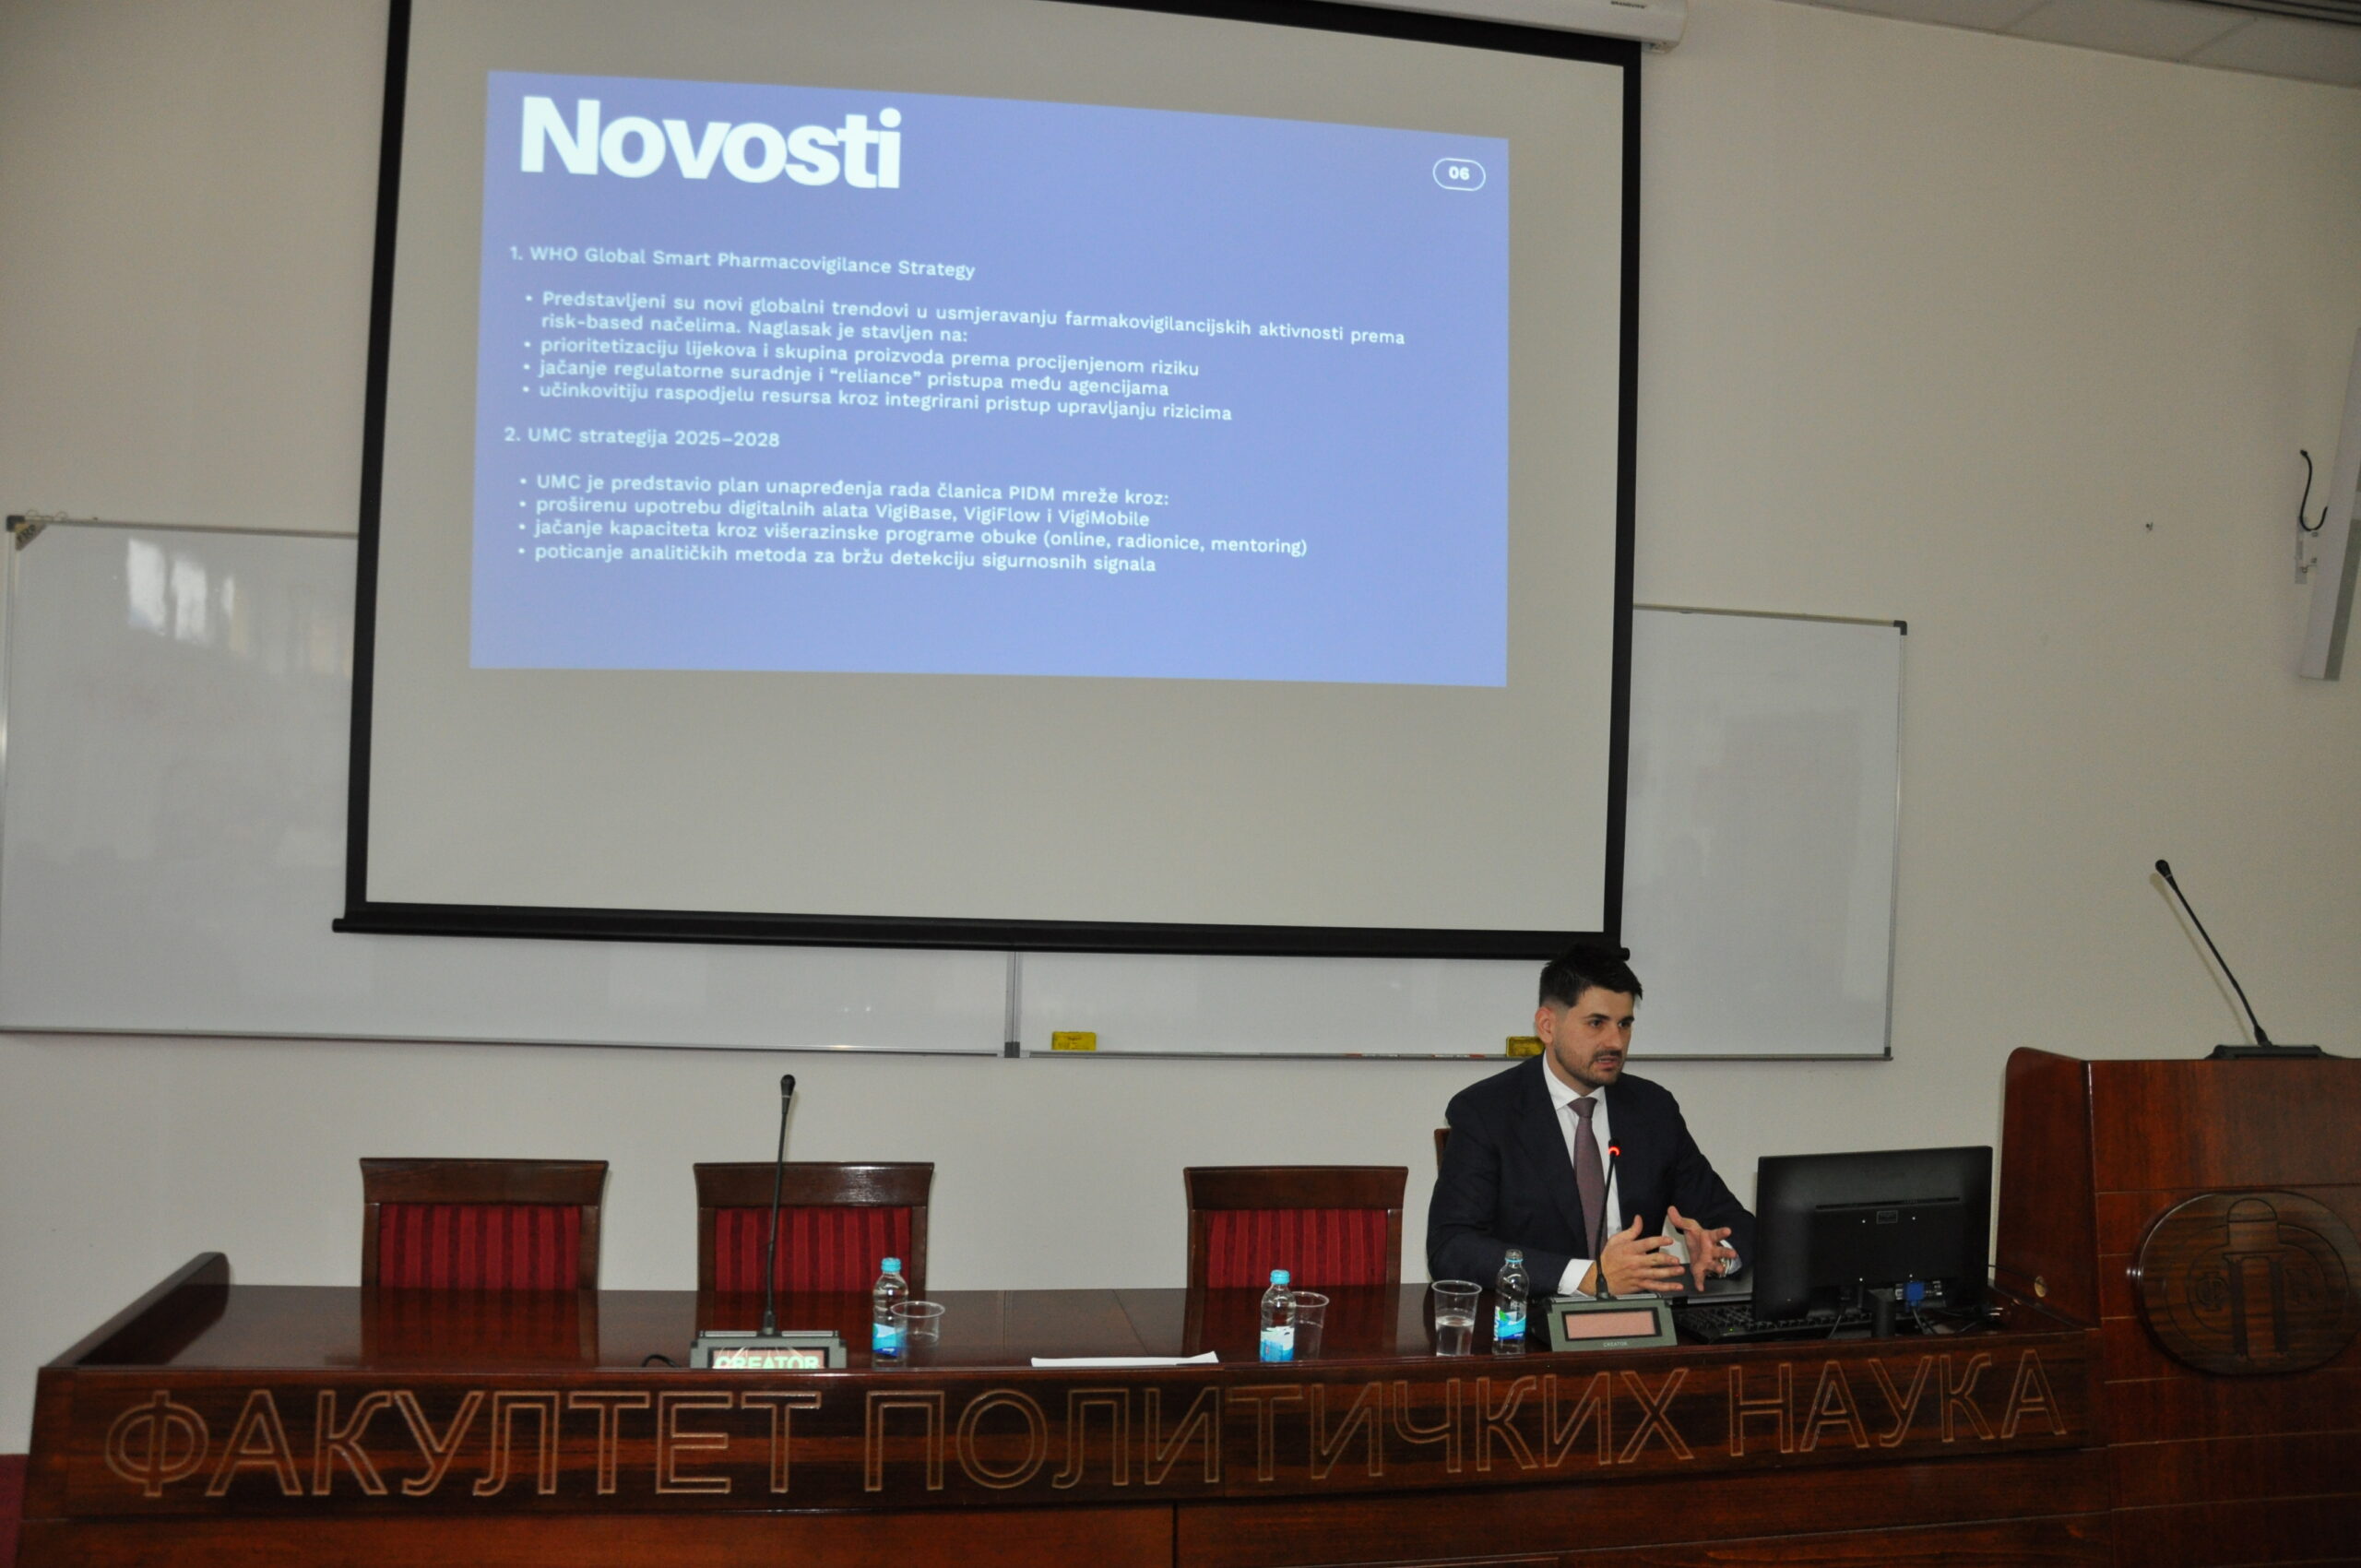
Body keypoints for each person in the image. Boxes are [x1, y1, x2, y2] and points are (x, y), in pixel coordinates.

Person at [1427, 944, 1754, 1298]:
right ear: (1547, 1026)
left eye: (1624, 1024)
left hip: (1639, 1319)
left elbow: (1735, 1222)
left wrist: (1719, 1253)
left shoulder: (1652, 1109)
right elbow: (1452, 1247)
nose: (1615, 1042)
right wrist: (1586, 1276)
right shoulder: (1486, 1111)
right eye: (1596, 1023)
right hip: (1531, 1318)